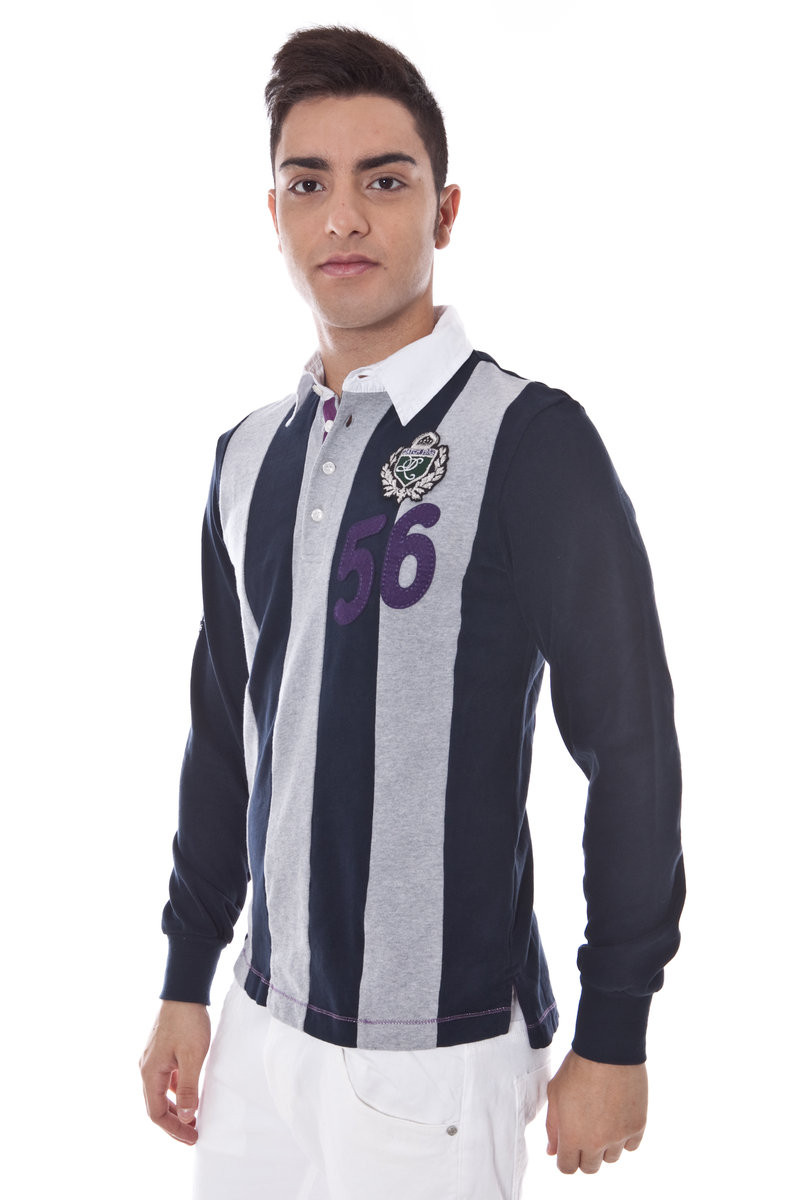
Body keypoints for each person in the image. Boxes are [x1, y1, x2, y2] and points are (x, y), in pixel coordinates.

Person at [140, 25, 685, 1200]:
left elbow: (630, 745)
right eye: (308, 184)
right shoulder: (247, 456)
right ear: (274, 213)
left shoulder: (529, 442)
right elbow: (226, 734)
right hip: (259, 1029)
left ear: (442, 211)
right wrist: (188, 977)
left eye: (382, 182)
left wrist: (616, 1026)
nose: (342, 217)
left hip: (434, 1056)